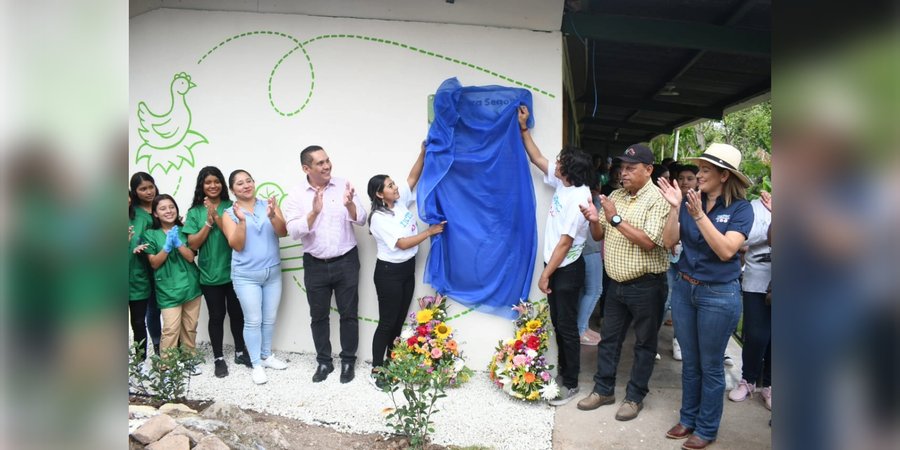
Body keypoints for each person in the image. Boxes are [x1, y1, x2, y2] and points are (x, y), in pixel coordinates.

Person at [657, 143, 754, 449]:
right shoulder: (688, 201)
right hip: (685, 289)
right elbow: (669, 241)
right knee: (690, 362)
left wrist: (699, 216)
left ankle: (707, 427)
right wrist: (675, 208)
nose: (698, 176)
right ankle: (688, 418)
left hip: (719, 294)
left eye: (706, 170)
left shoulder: (741, 209)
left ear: (724, 175)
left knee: (710, 365)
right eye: (699, 169)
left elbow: (727, 250)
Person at [576, 143, 670, 422]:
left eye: (631, 168)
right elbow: (597, 235)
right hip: (616, 284)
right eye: (622, 168)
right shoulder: (615, 195)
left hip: (647, 286)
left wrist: (613, 216)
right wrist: (595, 219)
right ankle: (603, 390)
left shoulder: (659, 199)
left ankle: (634, 396)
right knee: (609, 340)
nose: (623, 173)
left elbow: (649, 241)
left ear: (648, 170)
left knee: (644, 344)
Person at [518, 105, 592, 406]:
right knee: (560, 323)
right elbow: (537, 158)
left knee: (567, 326)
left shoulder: (580, 196)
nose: (555, 163)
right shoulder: (564, 185)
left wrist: (546, 274)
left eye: (560, 161)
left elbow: (565, 243)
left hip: (566, 268)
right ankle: (564, 374)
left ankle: (571, 382)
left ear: (569, 170)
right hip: (556, 266)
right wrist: (524, 128)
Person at [283, 145, 368, 384]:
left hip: (346, 261)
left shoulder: (343, 185)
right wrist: (313, 213)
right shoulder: (296, 194)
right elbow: (293, 231)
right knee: (318, 316)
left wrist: (350, 204)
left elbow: (361, 218)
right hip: (315, 265)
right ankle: (324, 362)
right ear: (306, 168)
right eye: (320, 163)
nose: (327, 166)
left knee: (349, 314)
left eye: (327, 160)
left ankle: (348, 361)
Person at [366, 143, 446, 389]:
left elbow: (413, 176)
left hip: (406, 270)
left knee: (399, 321)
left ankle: (392, 364)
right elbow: (400, 243)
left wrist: (422, 153)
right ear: (380, 194)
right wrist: (429, 232)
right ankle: (377, 371)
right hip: (389, 273)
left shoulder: (399, 203)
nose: (395, 186)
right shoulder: (378, 218)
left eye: (393, 183)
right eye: (390, 185)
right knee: (387, 322)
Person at [221, 170, 289, 385]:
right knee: (253, 320)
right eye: (240, 183)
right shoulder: (228, 213)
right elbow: (237, 244)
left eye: (248, 181)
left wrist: (272, 216)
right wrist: (241, 222)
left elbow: (283, 232)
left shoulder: (267, 204)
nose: (246, 185)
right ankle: (256, 364)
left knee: (269, 318)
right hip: (246, 276)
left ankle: (266, 356)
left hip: (273, 272)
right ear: (233, 190)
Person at [184, 166, 251, 378]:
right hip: (209, 275)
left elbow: (238, 235)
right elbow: (192, 244)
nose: (213, 186)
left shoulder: (232, 206)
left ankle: (241, 351)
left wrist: (218, 216)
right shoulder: (194, 212)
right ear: (201, 186)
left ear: (222, 184)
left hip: (235, 271)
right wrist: (208, 222)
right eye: (208, 182)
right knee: (216, 316)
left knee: (237, 314)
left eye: (216, 181)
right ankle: (219, 358)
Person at [142, 194, 203, 369]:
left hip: (191, 286)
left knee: (190, 327)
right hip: (168, 289)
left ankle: (188, 359)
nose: (168, 211)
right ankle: (167, 367)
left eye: (171, 207)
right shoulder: (150, 234)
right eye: (162, 208)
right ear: (155, 213)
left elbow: (191, 257)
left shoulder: (185, 230)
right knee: (170, 330)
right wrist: (167, 247)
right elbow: (154, 263)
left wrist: (179, 243)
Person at [729, 190, 772, 409]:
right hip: (757, 279)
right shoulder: (756, 206)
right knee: (755, 333)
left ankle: (770, 385)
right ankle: (748, 380)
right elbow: (746, 237)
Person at [668, 163, 699, 360]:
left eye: (690, 178)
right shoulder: (673, 199)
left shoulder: (701, 201)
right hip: (673, 258)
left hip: (692, 260)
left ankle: (683, 340)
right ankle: (676, 340)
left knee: (692, 302)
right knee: (671, 300)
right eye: (681, 178)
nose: (685, 182)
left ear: (697, 181)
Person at [129, 172, 162, 357]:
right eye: (143, 189)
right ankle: (157, 346)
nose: (149, 192)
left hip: (163, 265)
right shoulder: (133, 212)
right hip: (141, 268)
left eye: (151, 187)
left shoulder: (162, 205)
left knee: (164, 306)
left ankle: (172, 348)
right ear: (135, 192)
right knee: (151, 309)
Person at [578, 184, 604, 346]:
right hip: (590, 248)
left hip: (583, 249)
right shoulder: (592, 199)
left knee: (586, 290)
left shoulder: (574, 192)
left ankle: (583, 327)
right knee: (595, 290)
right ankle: (580, 329)